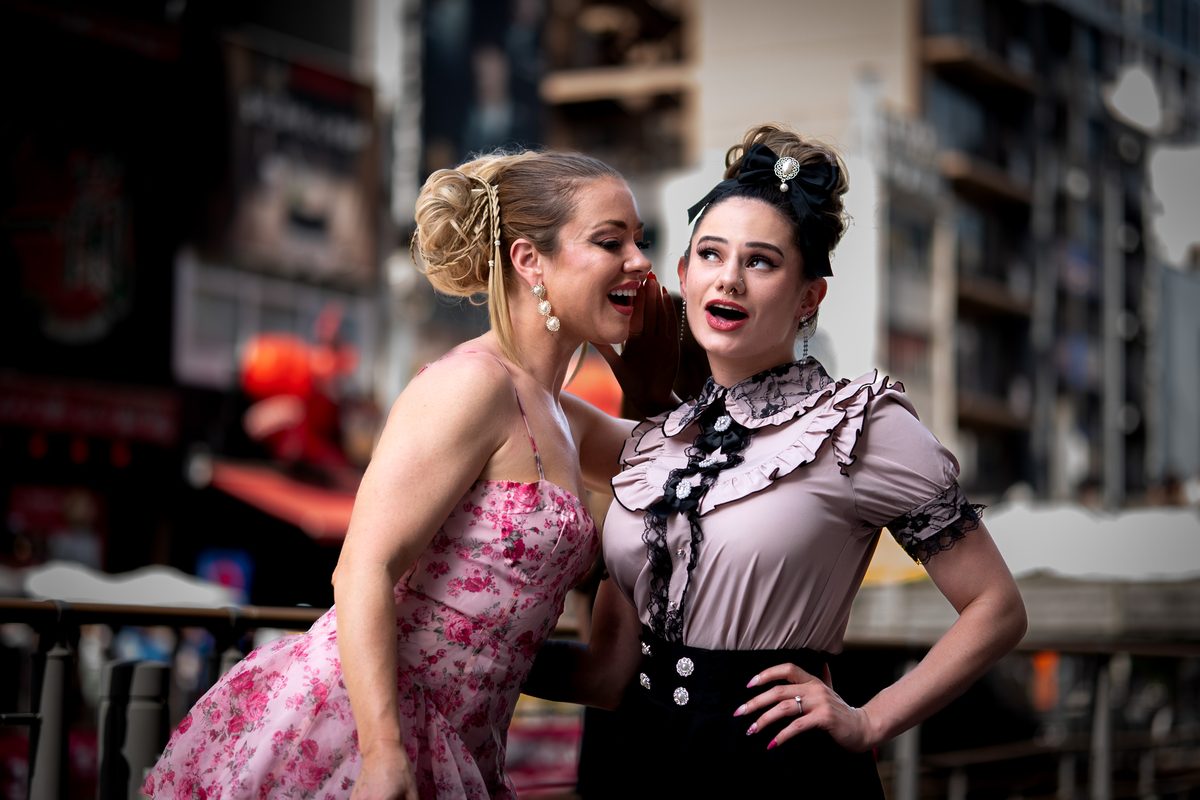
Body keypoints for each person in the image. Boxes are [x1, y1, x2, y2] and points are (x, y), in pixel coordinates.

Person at [142, 148, 676, 800]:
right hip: (359, 734)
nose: (640, 261)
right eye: (611, 241)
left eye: (639, 241)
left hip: (463, 748)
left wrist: (649, 391)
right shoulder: (471, 384)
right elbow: (361, 567)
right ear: (529, 260)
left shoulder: (566, 415)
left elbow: (681, 467)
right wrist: (383, 753)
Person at [524, 124, 1028, 796]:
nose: (729, 278)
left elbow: (996, 607)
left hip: (774, 765)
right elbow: (514, 400)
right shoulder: (654, 440)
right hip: (631, 757)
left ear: (808, 297)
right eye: (710, 254)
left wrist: (870, 719)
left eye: (760, 262)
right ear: (684, 276)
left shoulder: (858, 426)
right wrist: (453, 644)